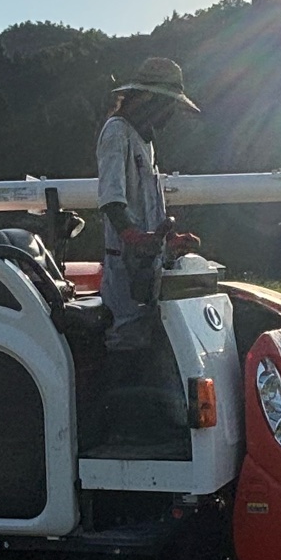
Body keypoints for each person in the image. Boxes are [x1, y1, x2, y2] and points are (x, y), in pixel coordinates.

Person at [96, 56, 200, 351]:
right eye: (167, 105)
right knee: (126, 336)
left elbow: (149, 203)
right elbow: (111, 198)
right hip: (125, 263)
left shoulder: (145, 141)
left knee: (149, 334)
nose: (170, 115)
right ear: (146, 100)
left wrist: (169, 239)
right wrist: (133, 237)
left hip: (148, 261)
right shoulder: (117, 131)